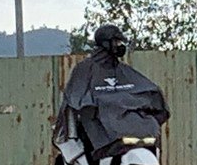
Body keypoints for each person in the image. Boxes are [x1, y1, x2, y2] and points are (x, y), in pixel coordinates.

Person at [55, 24, 170, 157]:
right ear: (105, 43)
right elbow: (76, 96)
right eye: (116, 42)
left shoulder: (122, 69)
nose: (120, 45)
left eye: (120, 42)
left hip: (127, 124)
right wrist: (93, 106)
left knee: (147, 123)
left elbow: (147, 90)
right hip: (98, 122)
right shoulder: (85, 68)